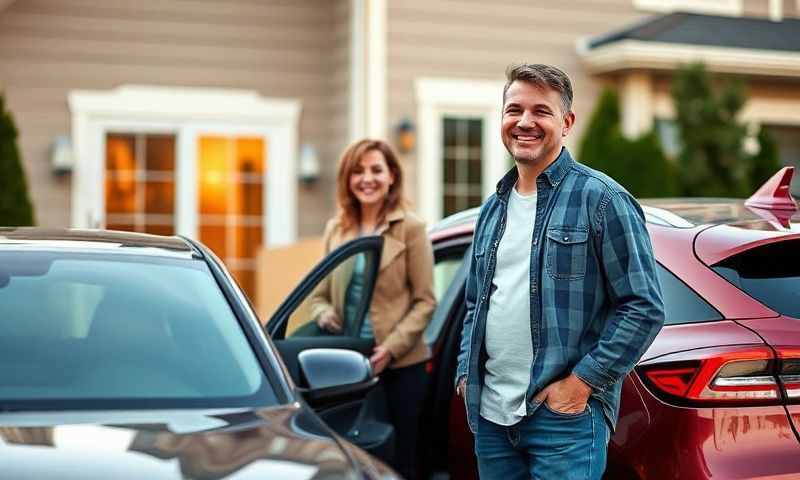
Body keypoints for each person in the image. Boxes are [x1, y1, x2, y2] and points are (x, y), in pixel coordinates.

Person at [455, 64, 665, 479]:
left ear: (566, 123)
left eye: (541, 111)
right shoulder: (491, 210)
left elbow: (643, 307)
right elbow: (474, 302)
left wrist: (582, 384)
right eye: (514, 109)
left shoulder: (603, 200)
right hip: (493, 420)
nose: (525, 122)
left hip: (564, 420)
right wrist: (465, 373)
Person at [310, 138, 436, 480]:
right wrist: (322, 313)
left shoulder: (411, 228)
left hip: (400, 366)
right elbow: (318, 294)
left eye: (376, 170)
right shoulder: (336, 229)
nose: (367, 178)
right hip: (349, 361)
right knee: (351, 457)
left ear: (392, 175)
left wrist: (391, 349)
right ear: (347, 179)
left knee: (400, 456)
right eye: (358, 171)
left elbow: (426, 300)